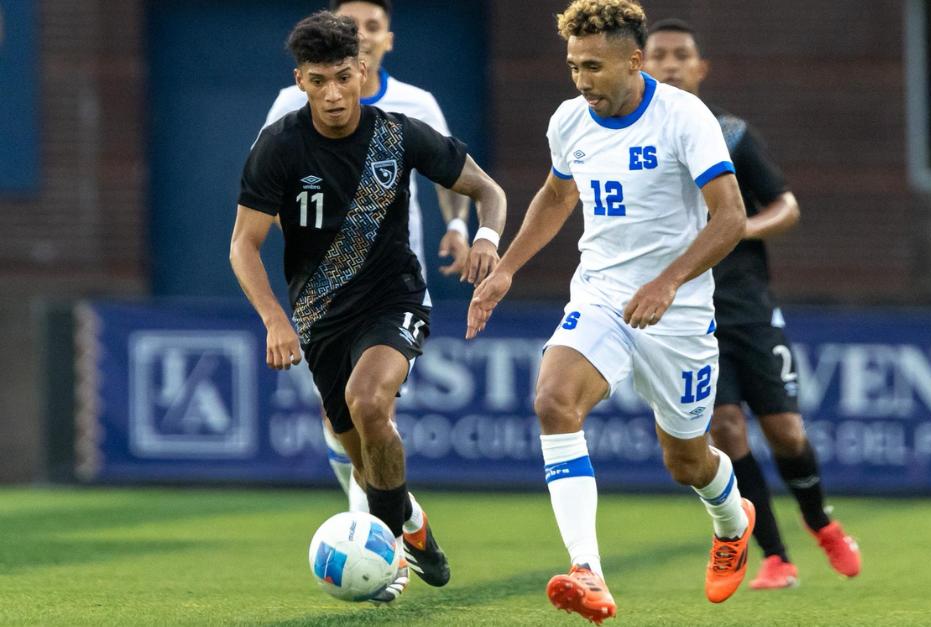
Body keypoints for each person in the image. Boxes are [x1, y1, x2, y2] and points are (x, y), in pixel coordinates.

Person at [468, 0, 753, 621]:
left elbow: (731, 217)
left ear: (633, 59)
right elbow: (555, 194)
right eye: (573, 66)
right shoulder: (570, 120)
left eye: (593, 67)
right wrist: (508, 268)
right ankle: (587, 572)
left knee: (687, 461)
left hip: (675, 314)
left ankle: (732, 521)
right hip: (599, 294)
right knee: (553, 401)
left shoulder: (684, 118)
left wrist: (668, 281)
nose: (581, 80)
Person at [231, 11, 506, 603]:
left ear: (362, 70)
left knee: (369, 400)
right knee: (363, 458)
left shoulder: (399, 133)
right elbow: (242, 245)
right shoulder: (278, 147)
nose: (333, 94)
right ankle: (412, 526)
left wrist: (483, 237)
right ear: (299, 81)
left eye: (342, 78)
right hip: (316, 316)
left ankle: (387, 553)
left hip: (394, 298)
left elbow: (488, 190)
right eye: (318, 81)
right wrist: (276, 319)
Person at [643, 18, 861, 590]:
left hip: (747, 306)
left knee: (786, 430)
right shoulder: (633, 140)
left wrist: (737, 230)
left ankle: (822, 523)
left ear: (699, 68)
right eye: (658, 54)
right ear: (640, 64)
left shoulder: (731, 134)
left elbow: (786, 206)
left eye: (680, 55)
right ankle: (776, 556)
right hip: (692, 312)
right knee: (727, 429)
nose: (669, 64)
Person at [263, 0, 472, 514]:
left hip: (393, 282)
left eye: (372, 27)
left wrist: (458, 227)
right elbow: (264, 190)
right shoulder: (288, 109)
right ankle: (401, 517)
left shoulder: (413, 107)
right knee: (344, 418)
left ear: (384, 42)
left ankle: (377, 533)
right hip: (323, 288)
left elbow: (454, 176)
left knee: (370, 402)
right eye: (353, 26)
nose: (363, 34)